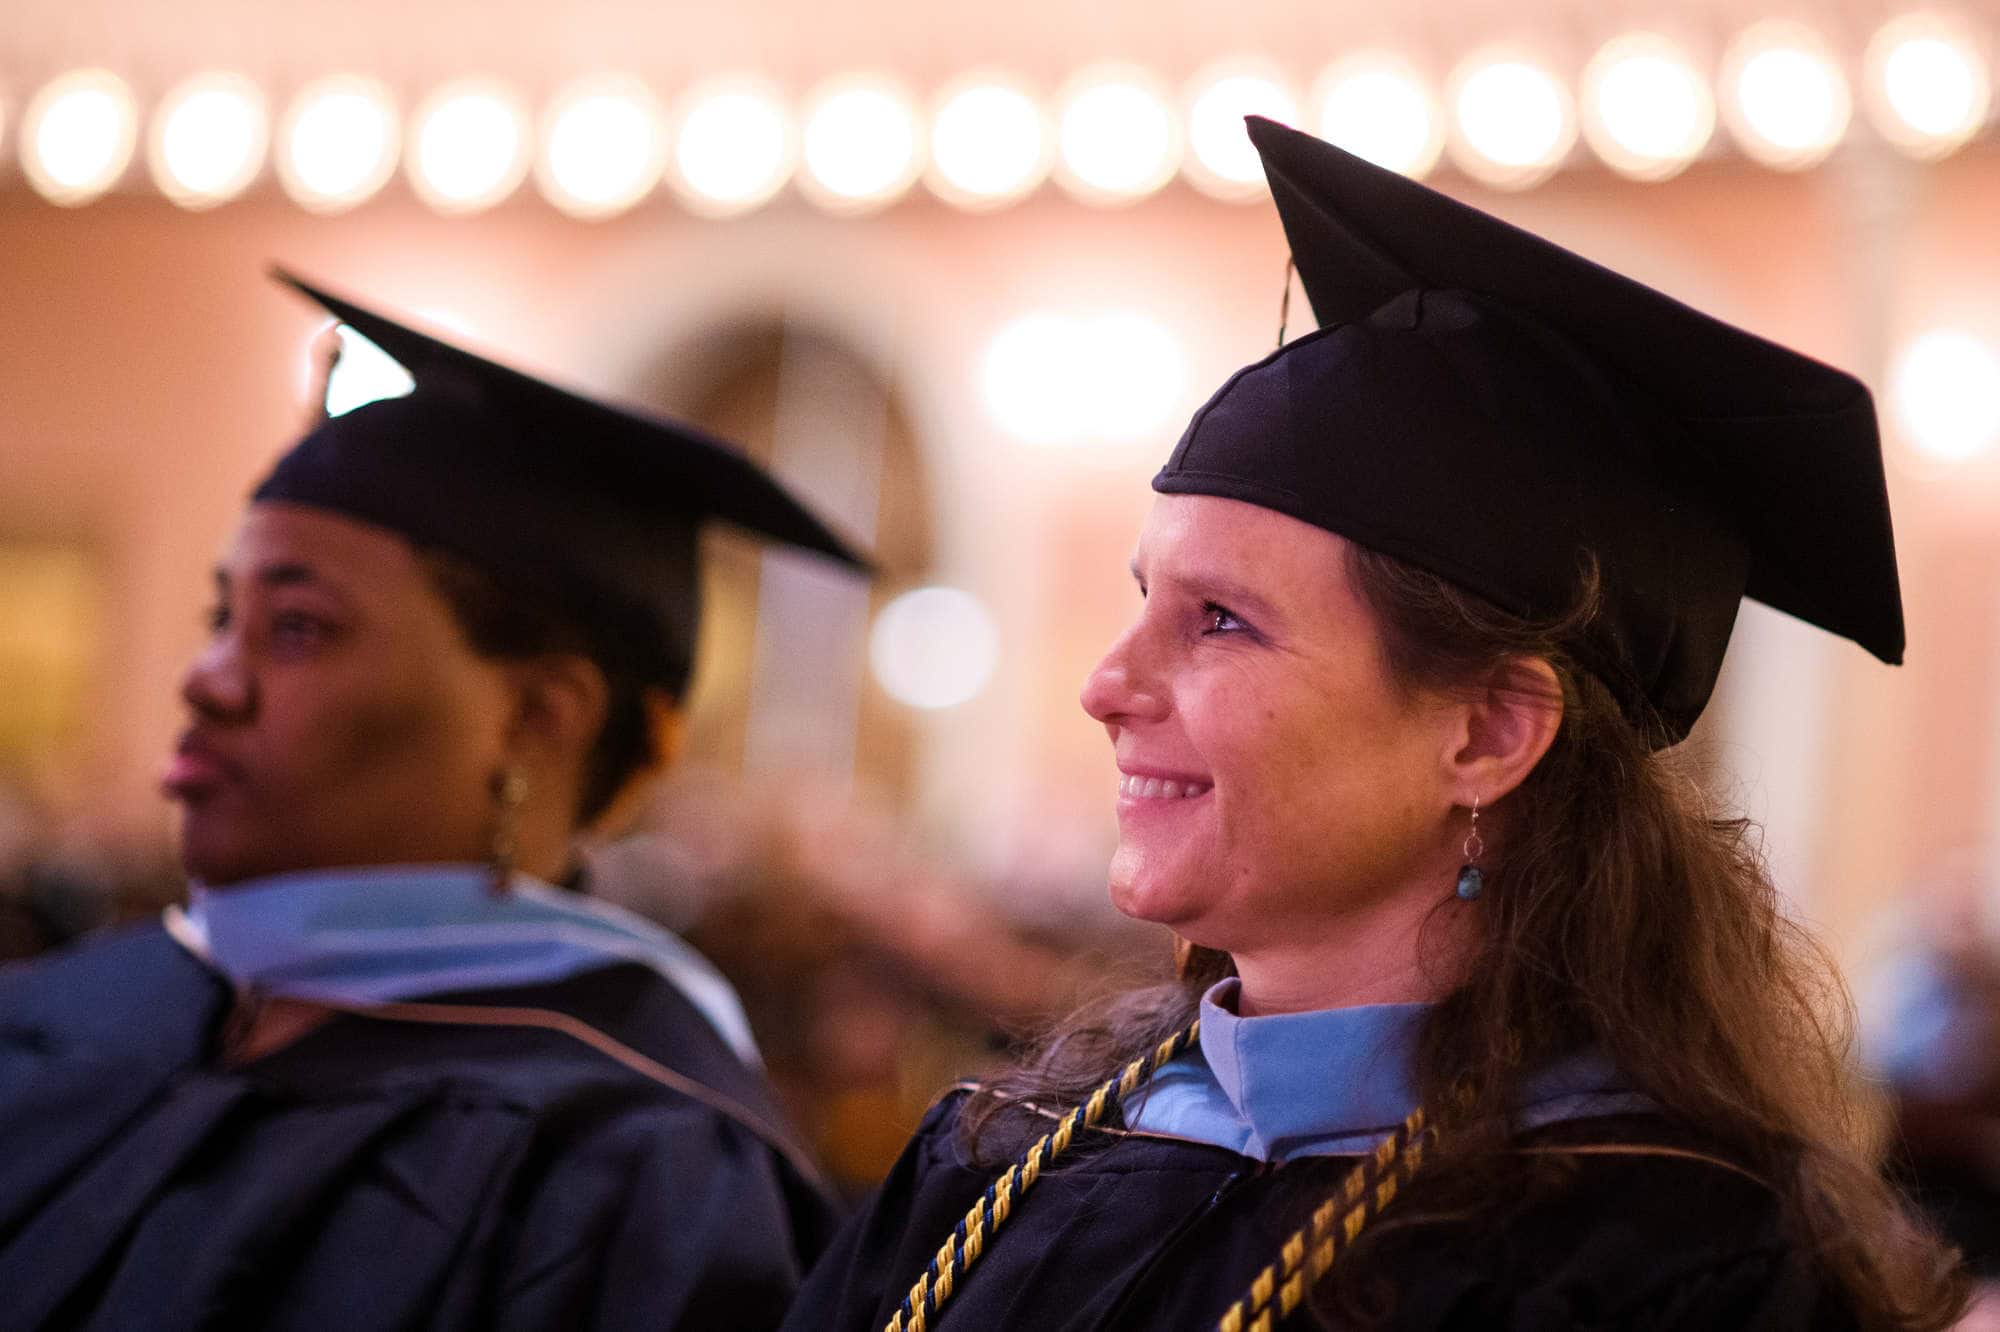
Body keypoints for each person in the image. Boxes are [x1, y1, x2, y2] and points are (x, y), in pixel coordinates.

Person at [781, 118, 1964, 1330]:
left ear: (1488, 734)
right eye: (1146, 598)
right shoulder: (1003, 1158)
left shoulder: (1677, 1263)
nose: (1105, 684)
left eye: (1221, 621)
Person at [0, 273, 864, 1330]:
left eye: (299, 629)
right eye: (220, 616)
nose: (205, 678)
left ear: (539, 715)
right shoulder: (80, 1008)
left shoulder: (637, 1162)